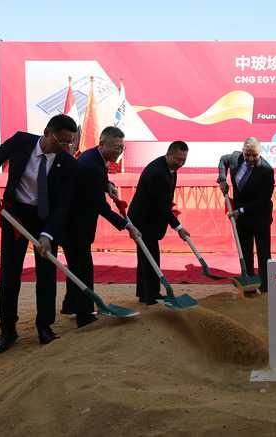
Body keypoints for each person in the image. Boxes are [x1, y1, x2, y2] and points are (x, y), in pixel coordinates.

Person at [0, 114, 79, 354]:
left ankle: (44, 327)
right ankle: (7, 330)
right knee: (10, 274)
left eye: (70, 142)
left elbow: (63, 205)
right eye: (61, 141)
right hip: (15, 217)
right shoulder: (21, 142)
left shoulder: (68, 163)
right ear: (47, 132)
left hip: (45, 219)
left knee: (46, 275)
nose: (65, 147)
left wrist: (48, 234)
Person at [60, 127, 141, 326]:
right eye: (115, 147)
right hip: (74, 225)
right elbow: (101, 207)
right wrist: (127, 226)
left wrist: (107, 185)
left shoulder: (94, 157)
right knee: (83, 269)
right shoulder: (91, 165)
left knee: (77, 267)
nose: (119, 151)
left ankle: (71, 306)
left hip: (77, 222)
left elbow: (97, 179)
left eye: (121, 147)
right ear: (102, 144)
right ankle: (85, 314)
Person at [128, 141, 191, 304]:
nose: (181, 163)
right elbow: (161, 205)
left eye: (184, 160)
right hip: (143, 219)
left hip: (152, 216)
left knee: (149, 255)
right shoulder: (157, 173)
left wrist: (169, 208)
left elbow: (164, 200)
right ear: (169, 154)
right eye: (178, 159)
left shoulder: (170, 169)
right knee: (149, 256)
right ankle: (149, 295)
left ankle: (147, 293)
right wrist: (178, 227)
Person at [217, 137, 275, 292]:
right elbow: (223, 160)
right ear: (243, 151)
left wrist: (240, 210)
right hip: (241, 217)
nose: (250, 159)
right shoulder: (235, 158)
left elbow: (263, 200)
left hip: (260, 216)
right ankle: (249, 280)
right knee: (245, 249)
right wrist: (222, 179)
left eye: (254, 155)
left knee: (263, 252)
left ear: (260, 153)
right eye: (247, 154)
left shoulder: (266, 171)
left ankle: (265, 285)